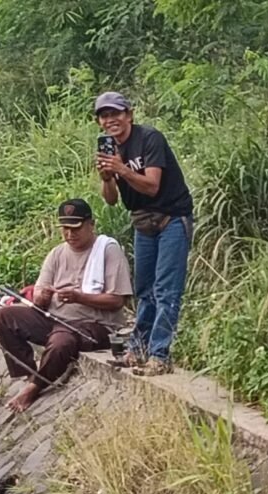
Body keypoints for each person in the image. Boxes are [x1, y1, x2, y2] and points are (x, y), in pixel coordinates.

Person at [0, 199, 132, 412]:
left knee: (62, 340)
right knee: (5, 317)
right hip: (54, 318)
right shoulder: (57, 253)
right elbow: (38, 297)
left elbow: (117, 300)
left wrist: (79, 297)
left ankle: (35, 388)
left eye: (75, 228)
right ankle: (31, 373)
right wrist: (41, 296)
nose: (69, 234)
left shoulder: (108, 250)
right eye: (65, 229)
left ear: (91, 225)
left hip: (95, 325)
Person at [93, 90, 193, 376]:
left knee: (166, 290)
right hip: (142, 221)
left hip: (172, 217)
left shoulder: (149, 138)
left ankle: (160, 355)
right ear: (100, 122)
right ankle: (137, 351)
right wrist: (106, 177)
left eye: (116, 113)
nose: (111, 119)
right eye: (104, 115)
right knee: (144, 290)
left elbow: (152, 186)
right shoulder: (109, 149)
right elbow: (111, 199)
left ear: (129, 115)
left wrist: (121, 169)